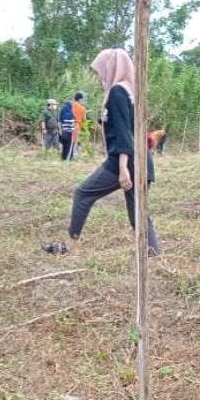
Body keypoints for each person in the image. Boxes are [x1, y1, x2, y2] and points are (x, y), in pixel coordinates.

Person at [42, 48, 160, 257]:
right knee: (138, 215)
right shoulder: (131, 92)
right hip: (141, 160)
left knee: (83, 194)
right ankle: (154, 257)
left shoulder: (117, 92)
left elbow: (124, 133)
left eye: (99, 71)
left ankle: (71, 246)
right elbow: (129, 127)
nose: (98, 77)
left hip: (125, 162)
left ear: (110, 68)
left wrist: (123, 168)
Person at [71, 91, 88, 158]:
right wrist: (86, 129)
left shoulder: (70, 106)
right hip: (77, 125)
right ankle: (75, 155)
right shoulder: (82, 108)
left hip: (68, 125)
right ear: (80, 99)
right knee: (76, 141)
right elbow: (84, 120)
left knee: (70, 141)